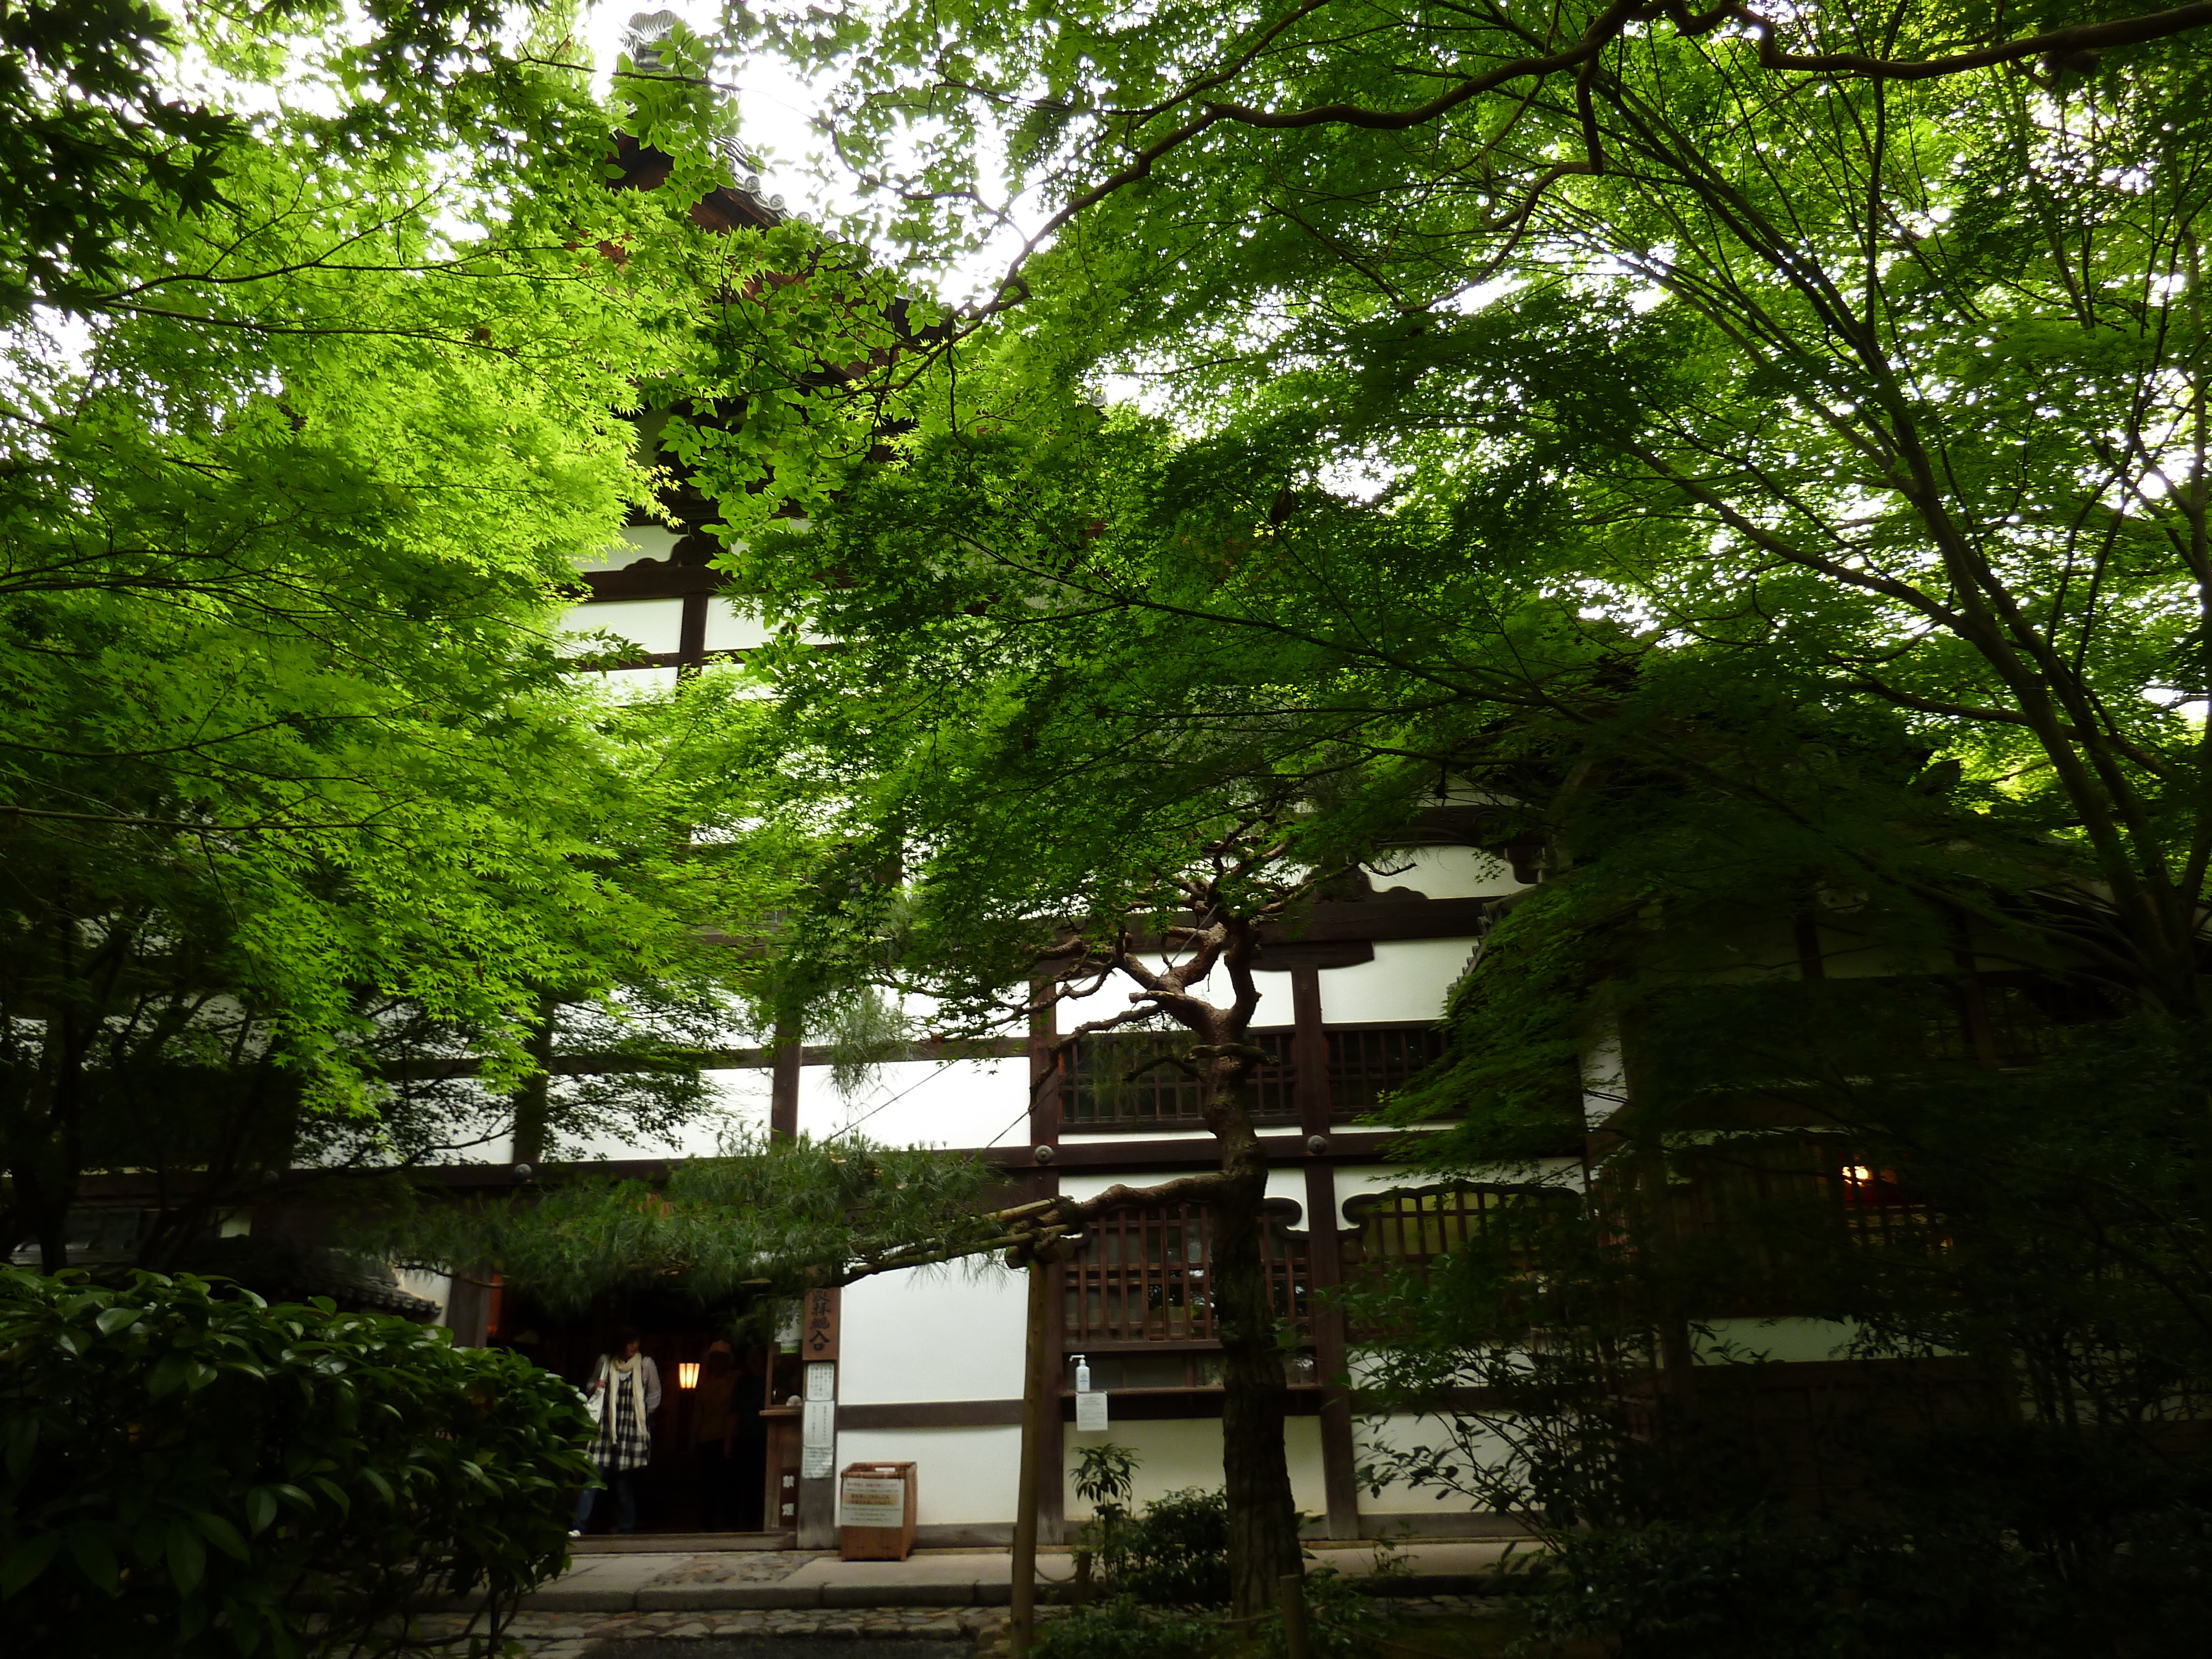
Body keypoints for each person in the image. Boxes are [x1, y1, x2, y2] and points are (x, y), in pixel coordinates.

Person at [572, 1327, 660, 1536]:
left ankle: (626, 1528)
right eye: (630, 1342)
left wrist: (643, 1416)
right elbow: (591, 1385)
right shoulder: (606, 1362)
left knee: (624, 1485)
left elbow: (655, 1394)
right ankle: (578, 1526)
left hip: (630, 1428)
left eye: (637, 1342)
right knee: (593, 1478)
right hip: (605, 1428)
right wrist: (596, 1386)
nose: (634, 1346)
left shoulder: (645, 1364)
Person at [691, 1340, 738, 1530]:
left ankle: (730, 1525)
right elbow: (697, 1413)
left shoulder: (735, 1380)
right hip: (707, 1438)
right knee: (707, 1487)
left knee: (728, 1486)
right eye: (715, 1358)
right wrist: (692, 1440)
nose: (718, 1362)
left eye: (722, 1358)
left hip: (729, 1438)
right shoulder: (704, 1384)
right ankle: (706, 1526)